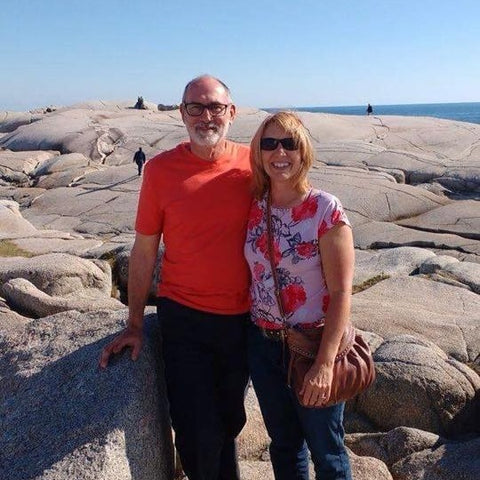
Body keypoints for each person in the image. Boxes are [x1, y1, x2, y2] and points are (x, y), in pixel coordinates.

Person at [99, 75, 252, 480]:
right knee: (196, 430)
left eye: (215, 107)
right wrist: (134, 324)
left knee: (229, 422)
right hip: (184, 317)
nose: (206, 116)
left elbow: (296, 229)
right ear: (182, 113)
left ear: (231, 113)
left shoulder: (256, 165)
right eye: (195, 107)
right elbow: (145, 249)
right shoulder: (161, 171)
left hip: (244, 319)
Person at [244, 111, 354, 480]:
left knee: (327, 451)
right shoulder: (254, 208)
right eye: (269, 143)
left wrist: (325, 364)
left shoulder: (325, 209)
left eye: (289, 143)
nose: (280, 152)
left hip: (311, 345)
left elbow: (341, 293)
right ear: (259, 152)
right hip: (263, 345)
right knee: (285, 444)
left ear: (302, 150)